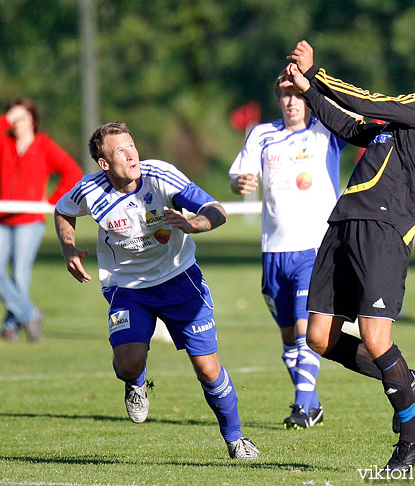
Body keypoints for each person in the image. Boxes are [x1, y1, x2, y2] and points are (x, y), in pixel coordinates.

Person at [287, 40, 415, 474]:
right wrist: (308, 92)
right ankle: (405, 379)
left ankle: (412, 437)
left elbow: (370, 101)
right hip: (346, 221)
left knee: (377, 340)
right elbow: (354, 127)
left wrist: (316, 72)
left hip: (383, 228)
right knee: (319, 338)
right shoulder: (408, 117)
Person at [54, 121, 259, 461]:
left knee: (208, 369)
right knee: (129, 364)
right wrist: (68, 249)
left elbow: (216, 210)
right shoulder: (90, 191)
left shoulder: (160, 176)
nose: (131, 154)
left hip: (179, 280)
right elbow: (63, 210)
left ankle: (235, 439)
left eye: (131, 145)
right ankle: (136, 384)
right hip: (127, 288)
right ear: (104, 164)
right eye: (121, 151)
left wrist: (196, 223)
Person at [229, 71, 367, 429]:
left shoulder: (325, 131)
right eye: (285, 94)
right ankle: (313, 404)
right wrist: (239, 181)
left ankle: (302, 407)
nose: (291, 101)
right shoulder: (262, 135)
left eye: (297, 95)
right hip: (274, 251)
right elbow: (237, 176)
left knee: (306, 330)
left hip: (316, 248)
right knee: (290, 336)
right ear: (278, 99)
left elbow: (355, 119)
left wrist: (315, 81)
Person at [0, 98, 82, 342]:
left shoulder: (44, 145)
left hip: (30, 219)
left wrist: (53, 200)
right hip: (3, 217)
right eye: (11, 117)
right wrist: (6, 119)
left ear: (33, 120)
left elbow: (72, 171)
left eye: (21, 117)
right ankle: (30, 315)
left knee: (20, 273)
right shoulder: (4, 142)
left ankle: (10, 327)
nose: (15, 122)